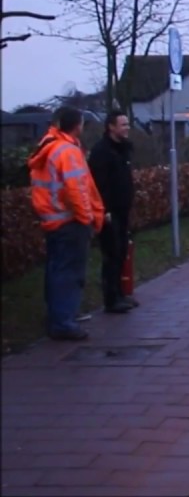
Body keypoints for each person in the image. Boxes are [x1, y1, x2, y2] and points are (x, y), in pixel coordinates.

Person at [28, 107, 105, 341]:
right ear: (77, 126)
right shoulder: (68, 151)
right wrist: (87, 218)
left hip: (52, 220)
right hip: (70, 222)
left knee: (56, 270)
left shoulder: (46, 146)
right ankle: (64, 322)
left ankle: (57, 317)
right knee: (70, 273)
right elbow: (76, 189)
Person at [88, 110, 136, 314]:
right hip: (109, 212)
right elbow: (98, 184)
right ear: (111, 127)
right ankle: (111, 299)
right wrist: (104, 209)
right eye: (123, 125)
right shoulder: (102, 152)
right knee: (112, 253)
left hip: (123, 209)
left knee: (121, 251)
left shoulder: (122, 149)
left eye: (127, 124)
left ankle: (120, 293)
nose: (127, 128)